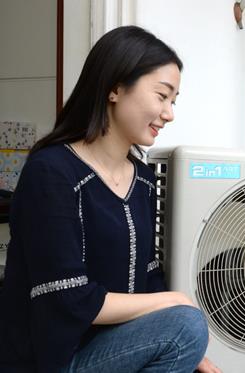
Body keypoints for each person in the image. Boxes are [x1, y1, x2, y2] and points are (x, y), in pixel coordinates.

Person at [0, 26, 220, 373]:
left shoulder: (144, 181)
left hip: (114, 348)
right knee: (186, 322)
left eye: (173, 101)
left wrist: (192, 351)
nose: (169, 113)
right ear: (116, 88)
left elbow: (149, 278)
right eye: (162, 96)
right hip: (53, 358)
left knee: (187, 331)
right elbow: (68, 298)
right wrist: (176, 305)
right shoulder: (52, 172)